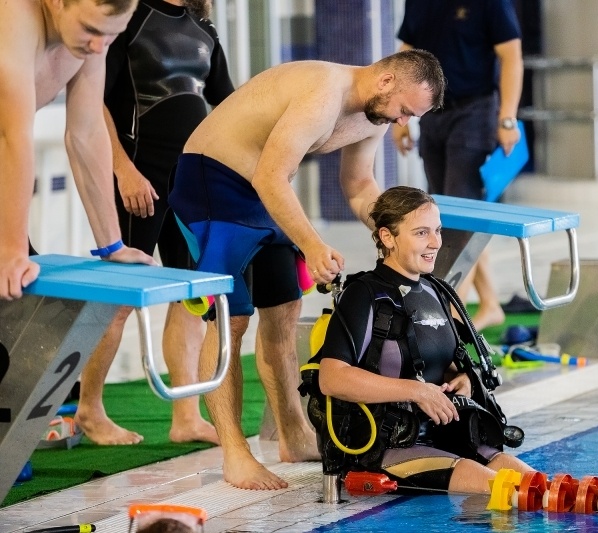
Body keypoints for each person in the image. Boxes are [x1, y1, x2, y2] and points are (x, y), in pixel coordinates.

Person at [168, 49, 446, 490]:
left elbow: (358, 186)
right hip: (213, 185)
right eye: (404, 111)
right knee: (230, 320)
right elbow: (270, 175)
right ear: (387, 81)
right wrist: (312, 244)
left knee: (283, 313)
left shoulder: (371, 115)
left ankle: (294, 435)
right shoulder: (323, 92)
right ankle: (235, 454)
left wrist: (398, 236)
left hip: (264, 193)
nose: (401, 123)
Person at [73, 0, 234, 446]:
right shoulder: (129, 18)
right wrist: (123, 169)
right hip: (138, 179)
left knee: (190, 297)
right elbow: (94, 103)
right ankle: (90, 408)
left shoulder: (203, 31)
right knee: (120, 300)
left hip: (189, 183)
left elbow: (228, 106)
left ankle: (186, 417)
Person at [309, 186, 532, 494]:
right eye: (421, 233)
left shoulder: (434, 291)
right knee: (509, 492)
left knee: (536, 483)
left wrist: (463, 379)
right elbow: (331, 378)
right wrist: (416, 391)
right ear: (388, 237)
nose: (436, 242)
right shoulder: (364, 294)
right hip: (385, 445)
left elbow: (444, 361)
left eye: (437, 230)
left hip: (444, 436)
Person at [0, 0, 156, 302]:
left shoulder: (91, 37)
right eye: (91, 30)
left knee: (23, 306)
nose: (99, 47)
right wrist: (11, 250)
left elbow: (86, 131)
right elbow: (12, 137)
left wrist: (113, 246)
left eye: (111, 37)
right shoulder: (15, 16)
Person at [392, 0, 524, 331]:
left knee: (457, 221)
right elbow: (406, 56)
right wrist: (400, 115)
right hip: (432, 114)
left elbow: (511, 56)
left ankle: (450, 318)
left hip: (475, 111)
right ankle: (491, 304)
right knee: (446, 213)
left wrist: (507, 117)